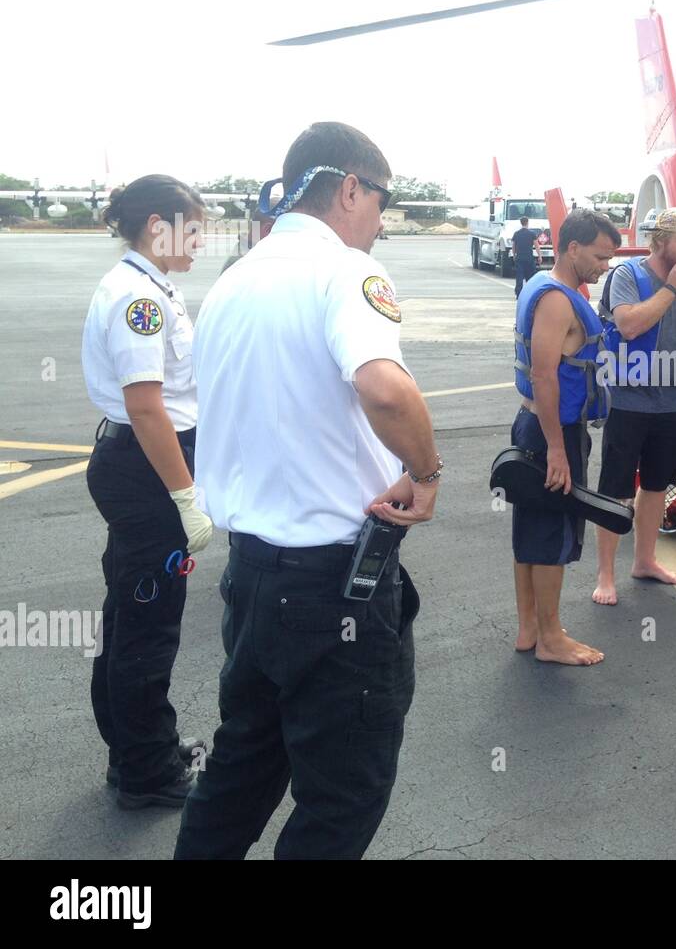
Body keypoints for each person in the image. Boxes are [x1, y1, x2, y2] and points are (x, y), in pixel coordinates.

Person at [175, 122, 440, 859]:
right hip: (334, 588)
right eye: (381, 202)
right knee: (343, 795)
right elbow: (385, 389)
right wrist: (426, 474)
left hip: (254, 576)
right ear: (350, 187)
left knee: (241, 770)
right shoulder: (345, 269)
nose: (381, 222)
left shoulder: (235, 279)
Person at [82, 175, 215, 810]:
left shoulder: (150, 289)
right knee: (148, 624)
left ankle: (133, 749)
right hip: (148, 469)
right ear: (158, 226)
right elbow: (148, 409)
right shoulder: (142, 301)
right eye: (194, 226)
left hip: (136, 467)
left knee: (127, 613)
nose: (202, 238)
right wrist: (186, 497)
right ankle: (147, 772)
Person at [511, 208, 621, 664]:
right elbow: (545, 375)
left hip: (533, 424)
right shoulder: (557, 298)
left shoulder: (539, 285)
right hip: (552, 430)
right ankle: (552, 639)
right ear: (572, 248)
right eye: (599, 255)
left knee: (529, 529)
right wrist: (558, 450)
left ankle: (530, 628)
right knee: (553, 534)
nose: (605, 265)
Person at [592, 207, 676, 605]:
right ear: (661, 240)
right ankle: (605, 574)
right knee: (615, 488)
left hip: (670, 402)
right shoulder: (626, 275)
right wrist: (670, 289)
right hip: (628, 402)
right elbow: (629, 326)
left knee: (658, 485)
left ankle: (644, 560)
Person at [512, 215, 540, 297]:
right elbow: (536, 245)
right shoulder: (532, 234)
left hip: (519, 258)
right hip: (529, 258)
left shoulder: (516, 234)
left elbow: (513, 246)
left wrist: (514, 255)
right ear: (527, 223)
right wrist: (539, 256)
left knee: (519, 277)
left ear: (521, 223)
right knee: (530, 277)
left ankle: (518, 294)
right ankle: (530, 293)